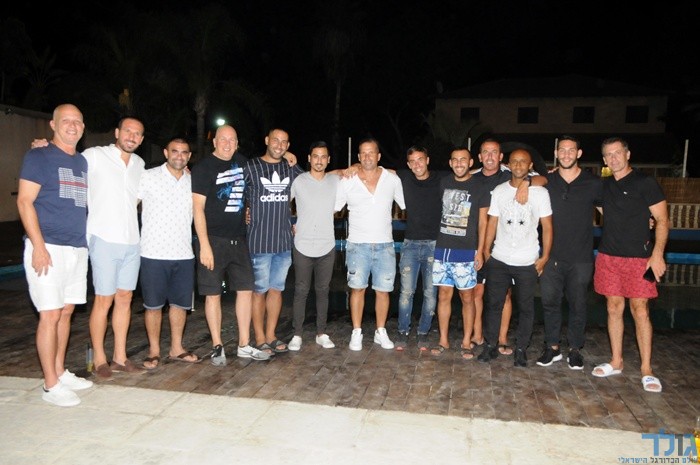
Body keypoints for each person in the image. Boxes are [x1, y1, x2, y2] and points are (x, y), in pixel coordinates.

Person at [31, 117, 147, 379]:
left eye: (137, 133)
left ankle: (120, 357)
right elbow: (65, 158)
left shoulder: (140, 165)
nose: (131, 136)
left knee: (125, 298)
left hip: (132, 241)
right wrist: (44, 146)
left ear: (141, 140)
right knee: (104, 300)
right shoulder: (94, 156)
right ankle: (100, 358)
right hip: (103, 238)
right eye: (127, 131)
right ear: (117, 132)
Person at [17, 103, 93, 406]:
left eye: (77, 122)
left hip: (76, 246)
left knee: (65, 311)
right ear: (53, 124)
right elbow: (25, 202)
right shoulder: (38, 156)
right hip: (48, 247)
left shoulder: (82, 162)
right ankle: (50, 385)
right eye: (66, 121)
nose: (72, 126)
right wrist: (38, 246)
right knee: (49, 314)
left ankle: (60, 372)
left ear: (83, 127)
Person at [591, 137, 668, 393]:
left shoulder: (645, 183)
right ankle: (616, 361)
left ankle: (647, 369)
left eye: (617, 153)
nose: (613, 158)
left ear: (628, 154)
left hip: (640, 258)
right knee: (613, 308)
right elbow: (608, 213)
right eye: (608, 155)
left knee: (640, 310)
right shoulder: (603, 187)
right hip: (609, 257)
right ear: (604, 160)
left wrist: (657, 254)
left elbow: (662, 220)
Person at [191, 125, 270, 365]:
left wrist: (287, 155)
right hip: (213, 241)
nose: (227, 143)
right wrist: (204, 245)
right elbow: (197, 209)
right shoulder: (203, 168)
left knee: (246, 290)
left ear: (237, 143)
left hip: (239, 240)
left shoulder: (243, 163)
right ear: (214, 142)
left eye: (232, 139)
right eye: (223, 139)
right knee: (213, 294)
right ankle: (217, 346)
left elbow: (267, 162)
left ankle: (244, 345)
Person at [478, 148, 552, 367]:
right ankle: (490, 345)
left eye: (523, 161)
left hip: (527, 259)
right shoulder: (499, 191)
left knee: (526, 307)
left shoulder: (540, 193)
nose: (518, 165)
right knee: (493, 304)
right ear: (508, 165)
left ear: (530, 166)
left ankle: (521, 349)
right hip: (499, 258)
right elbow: (492, 222)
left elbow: (547, 227)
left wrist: (545, 256)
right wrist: (486, 250)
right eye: (514, 161)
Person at [536, 136, 602, 370]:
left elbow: (612, 212)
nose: (566, 154)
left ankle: (575, 349)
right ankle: (552, 347)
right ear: (556, 153)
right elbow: (522, 179)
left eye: (571, 150)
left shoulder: (593, 183)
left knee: (578, 304)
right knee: (549, 303)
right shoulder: (547, 181)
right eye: (562, 150)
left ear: (579, 153)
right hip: (551, 256)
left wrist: (643, 223)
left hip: (581, 257)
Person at [334, 137, 405, 351]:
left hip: (385, 245)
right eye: (363, 153)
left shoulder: (392, 179)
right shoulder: (347, 180)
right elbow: (333, 208)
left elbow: (407, 204)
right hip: (357, 245)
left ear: (378, 156)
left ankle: (380, 331)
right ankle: (356, 331)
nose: (367, 157)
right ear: (358, 156)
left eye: (371, 152)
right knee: (357, 289)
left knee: (384, 291)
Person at [138, 137, 201, 369]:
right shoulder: (148, 176)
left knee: (180, 305)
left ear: (189, 156)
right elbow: (128, 205)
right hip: (153, 253)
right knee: (153, 306)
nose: (179, 156)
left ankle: (177, 348)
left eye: (184, 152)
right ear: (166, 153)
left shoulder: (194, 182)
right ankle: (154, 351)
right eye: (175, 151)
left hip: (183, 254)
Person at [245, 128, 304, 355]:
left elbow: (314, 181)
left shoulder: (291, 168)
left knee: (276, 290)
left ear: (288, 146)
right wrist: (243, 212)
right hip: (258, 241)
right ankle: (259, 337)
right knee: (259, 291)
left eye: (284, 142)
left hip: (283, 242)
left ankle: (271, 335)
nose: (279, 145)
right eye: (275, 140)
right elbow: (232, 192)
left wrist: (349, 170)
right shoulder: (251, 167)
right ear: (266, 140)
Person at [430, 147, 490, 359]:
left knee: (467, 297)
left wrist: (480, 251)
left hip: (466, 250)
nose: (459, 163)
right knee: (443, 296)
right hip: (443, 249)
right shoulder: (443, 182)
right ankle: (443, 340)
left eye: (463, 159)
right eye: (455, 159)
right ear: (450, 163)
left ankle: (466, 341)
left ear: (471, 162)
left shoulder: (480, 186)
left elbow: (483, 222)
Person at [287, 141, 339, 351]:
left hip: (327, 245)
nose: (319, 160)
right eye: (315, 156)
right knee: (300, 291)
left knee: (323, 291)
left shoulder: (336, 181)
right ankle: (297, 334)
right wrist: (289, 224)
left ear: (328, 160)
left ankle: (321, 333)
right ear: (309, 159)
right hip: (302, 245)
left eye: (323, 156)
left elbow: (354, 172)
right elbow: (280, 204)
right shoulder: (298, 181)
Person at [394, 146, 443, 351]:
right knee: (406, 292)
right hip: (410, 245)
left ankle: (423, 333)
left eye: (420, 159)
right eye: (412, 161)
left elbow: (468, 172)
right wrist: (354, 167)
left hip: (434, 245)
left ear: (427, 160)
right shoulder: (404, 177)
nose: (417, 164)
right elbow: (377, 170)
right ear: (408, 164)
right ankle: (402, 331)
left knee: (430, 293)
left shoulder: (441, 178)